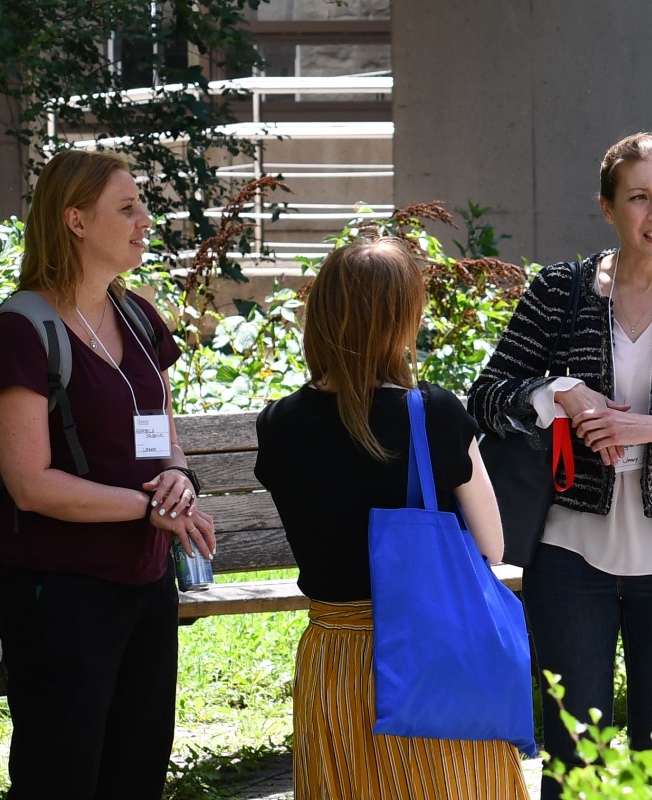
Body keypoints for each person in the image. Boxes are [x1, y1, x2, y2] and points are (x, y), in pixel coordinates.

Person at [468, 132, 652, 799]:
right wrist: (558, 393)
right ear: (608, 207)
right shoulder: (560, 293)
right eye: (638, 198)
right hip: (569, 557)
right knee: (575, 753)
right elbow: (485, 399)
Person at [0, 149, 216, 798]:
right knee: (63, 778)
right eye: (128, 207)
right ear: (76, 221)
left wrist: (180, 483)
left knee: (136, 774)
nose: (146, 220)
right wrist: (148, 509)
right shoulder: (21, 330)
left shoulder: (138, 316)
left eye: (142, 205)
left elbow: (167, 441)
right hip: (63, 591)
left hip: (146, 582)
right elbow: (30, 482)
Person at [254, 237, 529, 800]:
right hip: (430, 655)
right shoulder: (434, 413)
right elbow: (494, 544)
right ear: (404, 319)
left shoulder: (279, 423)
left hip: (336, 658)